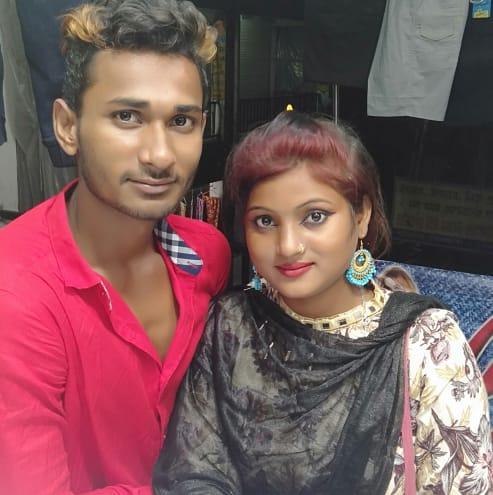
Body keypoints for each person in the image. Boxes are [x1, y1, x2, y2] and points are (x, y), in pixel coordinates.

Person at [153, 112, 492, 494]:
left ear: (361, 216)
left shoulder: (428, 345)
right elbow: (193, 474)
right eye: (264, 221)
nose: (288, 246)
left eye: (314, 216)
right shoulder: (231, 327)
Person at [0, 1, 230, 494]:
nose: (160, 156)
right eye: (127, 116)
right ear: (68, 127)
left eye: (181, 121)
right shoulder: (15, 295)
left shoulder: (206, 255)